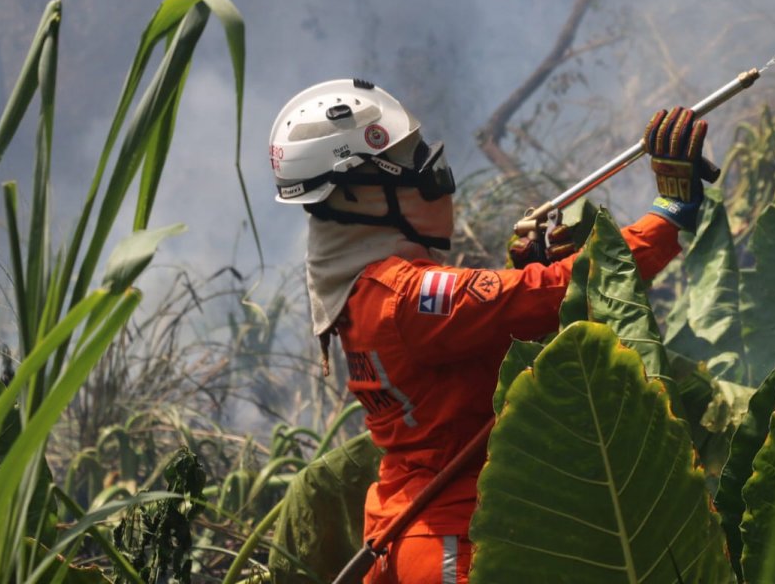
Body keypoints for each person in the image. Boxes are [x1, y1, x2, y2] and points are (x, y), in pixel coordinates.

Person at [269, 78, 716, 584]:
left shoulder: (364, 291)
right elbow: (549, 292)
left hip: (407, 524)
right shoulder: (406, 297)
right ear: (359, 193)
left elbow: (482, 333)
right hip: (455, 540)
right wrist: (670, 214)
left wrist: (529, 262)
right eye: (409, 160)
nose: (429, 173)